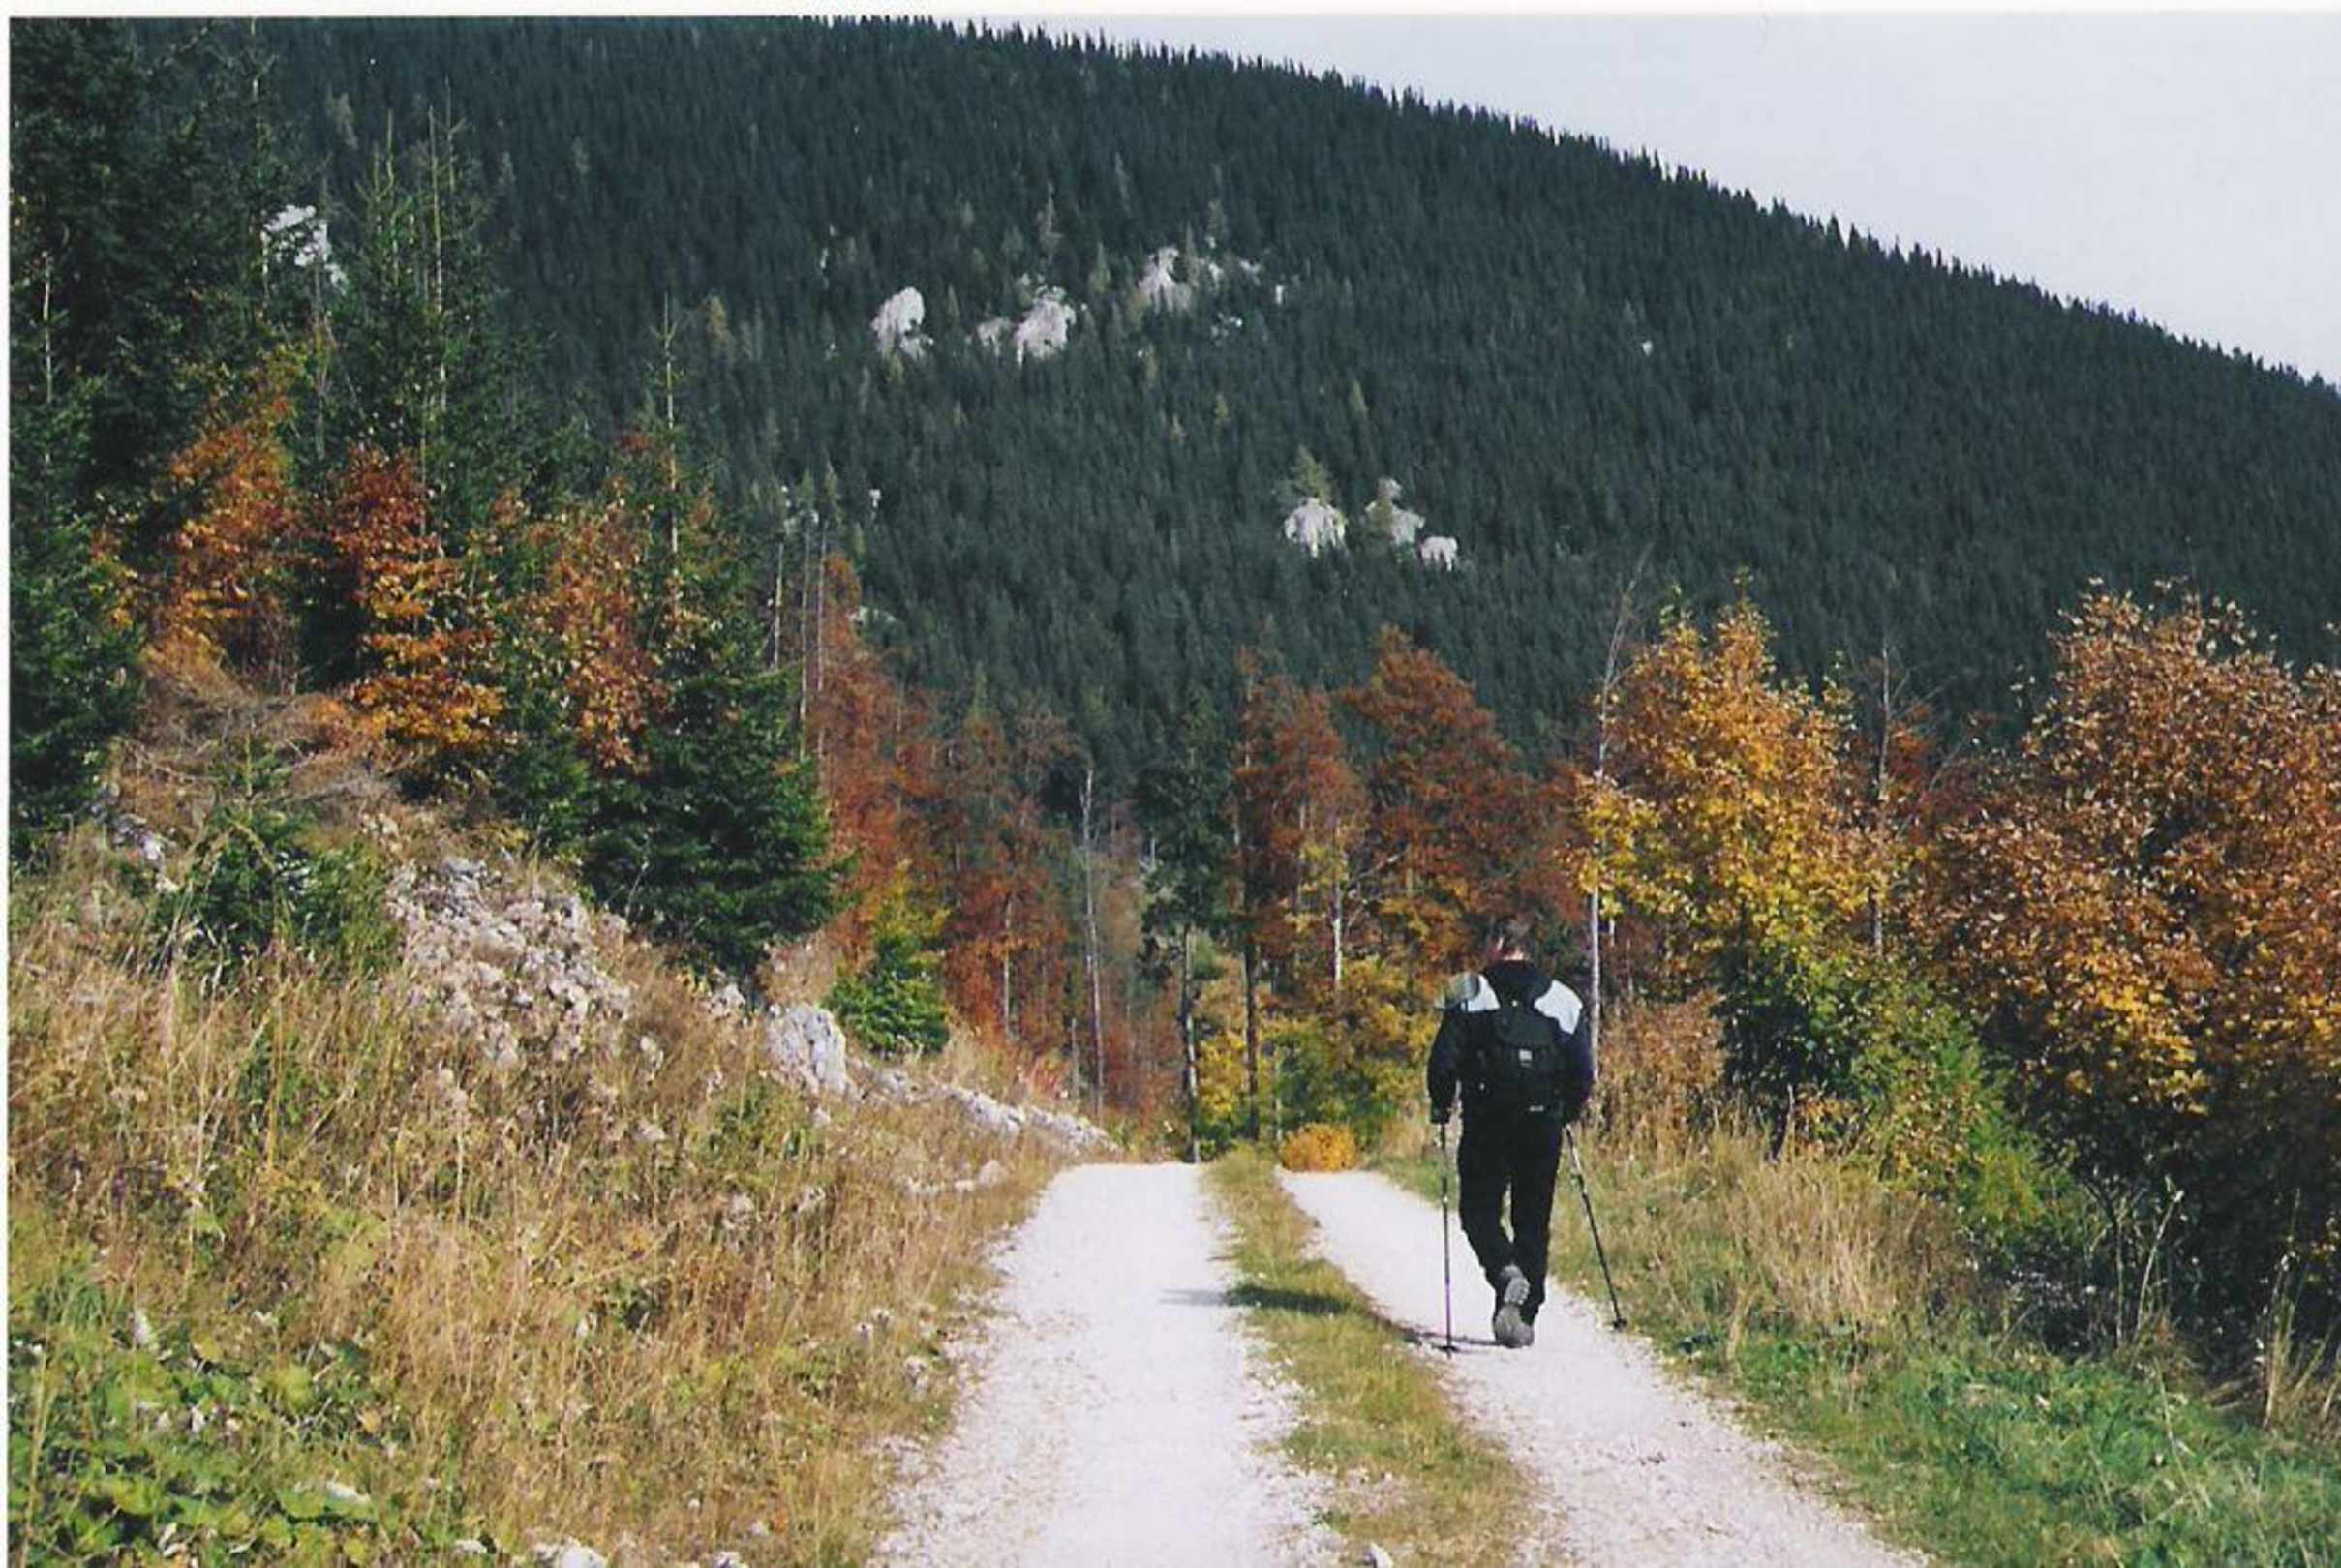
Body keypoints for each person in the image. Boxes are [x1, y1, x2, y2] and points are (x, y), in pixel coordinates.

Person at [1426, 913, 1596, 1349]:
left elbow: (1443, 1061)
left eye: (1487, 942)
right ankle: (1523, 1316)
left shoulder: (1469, 992)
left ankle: (1504, 1271)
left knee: (1478, 1211)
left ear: (1499, 942)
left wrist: (1441, 1104)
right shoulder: (1562, 998)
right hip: (1541, 1122)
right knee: (1532, 1220)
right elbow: (1582, 1070)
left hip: (1487, 1121)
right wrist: (1566, 1111)